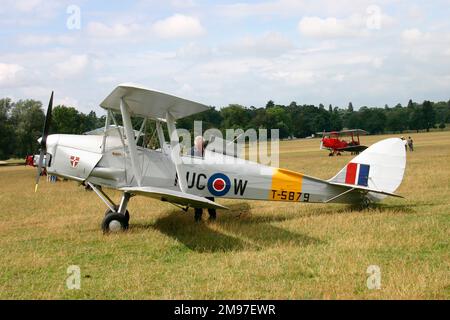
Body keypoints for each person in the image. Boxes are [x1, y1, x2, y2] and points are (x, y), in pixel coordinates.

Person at [191, 136, 217, 222]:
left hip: (207, 179)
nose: (201, 146)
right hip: (196, 180)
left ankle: (213, 216)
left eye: (202, 144)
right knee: (197, 200)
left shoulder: (207, 152)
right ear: (195, 144)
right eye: (199, 144)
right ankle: (198, 218)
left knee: (210, 198)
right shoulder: (191, 152)